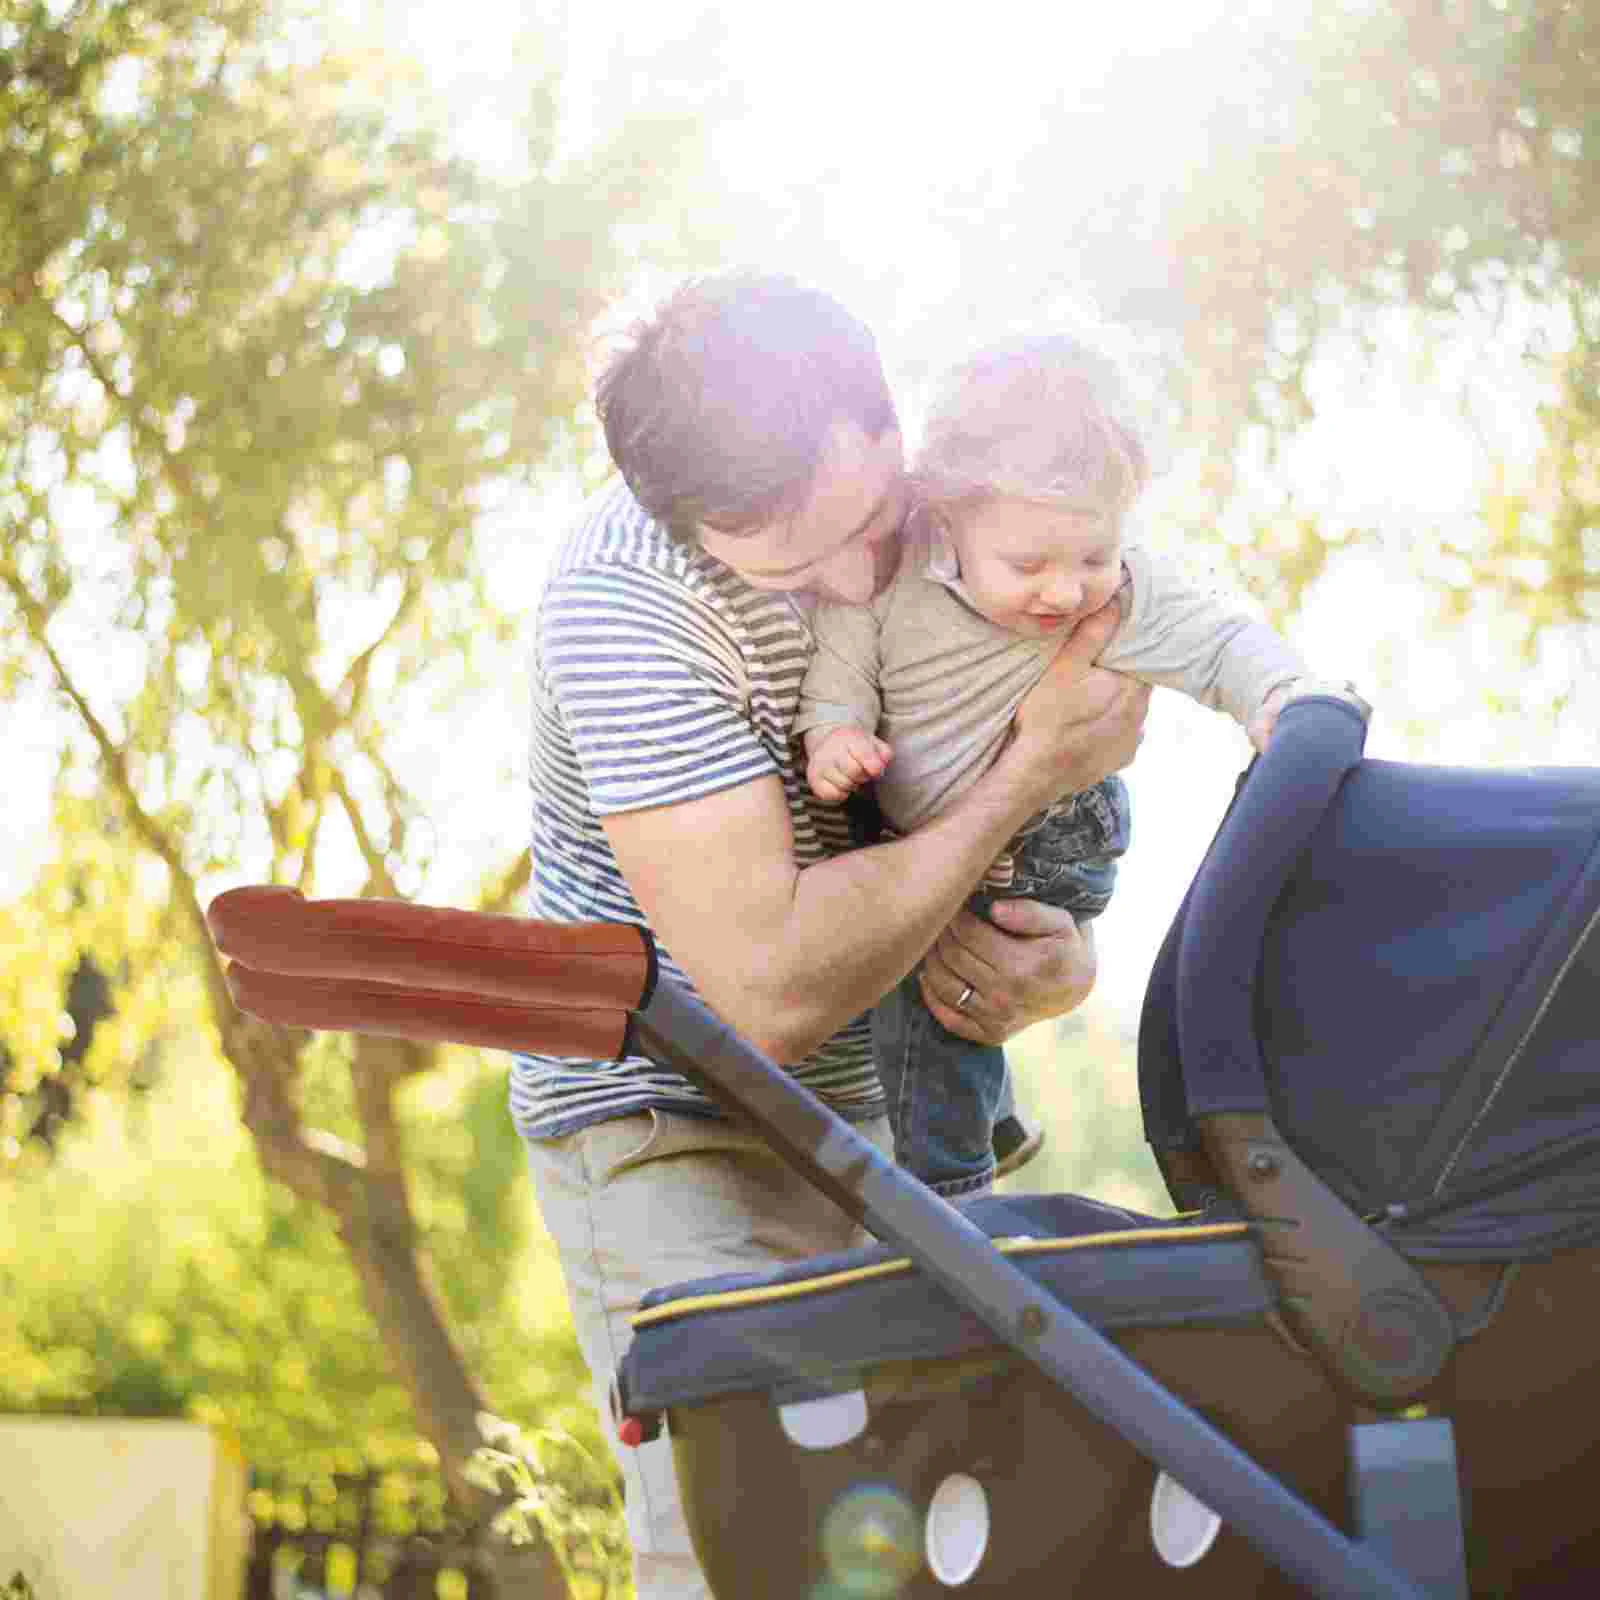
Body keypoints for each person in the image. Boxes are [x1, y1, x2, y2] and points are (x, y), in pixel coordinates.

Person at [513, 275, 1149, 1599]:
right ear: (685, 518)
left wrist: (1056, 962)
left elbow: (1051, 828)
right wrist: (1022, 778)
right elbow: (771, 989)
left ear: (883, 428)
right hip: (675, 1123)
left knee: (931, 1549)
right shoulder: (627, 604)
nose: (855, 577)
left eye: (867, 523)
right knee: (741, 1550)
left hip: (889, 1131)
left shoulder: (954, 514)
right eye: (790, 568)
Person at [796, 333, 1316, 1199]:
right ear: (947, 518)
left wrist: (1284, 700)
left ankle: (952, 1198)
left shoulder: (1129, 596)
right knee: (933, 961)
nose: (1066, 592)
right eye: (1029, 564)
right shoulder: (895, 582)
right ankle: (992, 1125)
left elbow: (1223, 639)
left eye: (1092, 556)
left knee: (923, 992)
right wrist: (834, 732)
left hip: (1054, 831)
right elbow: (843, 655)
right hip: (959, 822)